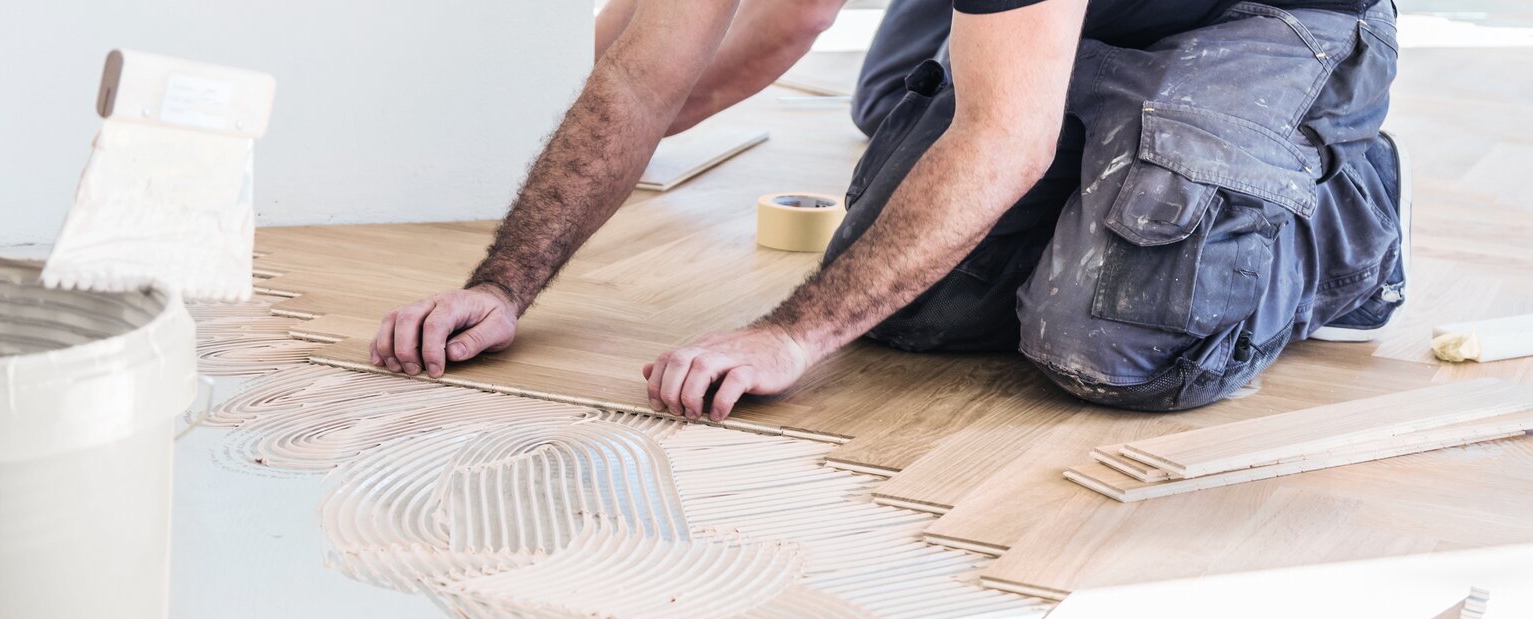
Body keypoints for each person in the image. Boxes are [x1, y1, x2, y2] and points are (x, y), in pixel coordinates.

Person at [371, 0, 1406, 422]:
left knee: (1113, 342)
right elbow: (649, 80)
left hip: (1259, 16)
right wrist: (504, 284)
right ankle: (1121, 161)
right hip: (1055, 29)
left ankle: (1333, 215)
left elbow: (1010, 134)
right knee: (912, 314)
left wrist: (792, 334)